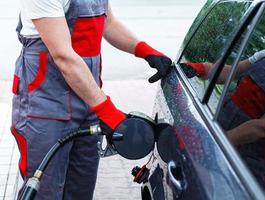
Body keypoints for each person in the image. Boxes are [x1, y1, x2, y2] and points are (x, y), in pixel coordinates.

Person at [11, 0, 172, 199]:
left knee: (81, 190)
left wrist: (146, 51)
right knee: (45, 192)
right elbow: (63, 56)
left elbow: (109, 23)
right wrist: (107, 112)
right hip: (44, 108)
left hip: (89, 104)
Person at [180, 48, 265, 187]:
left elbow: (262, 127)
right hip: (214, 136)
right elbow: (229, 73)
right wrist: (197, 68)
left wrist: (211, 143)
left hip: (242, 166)